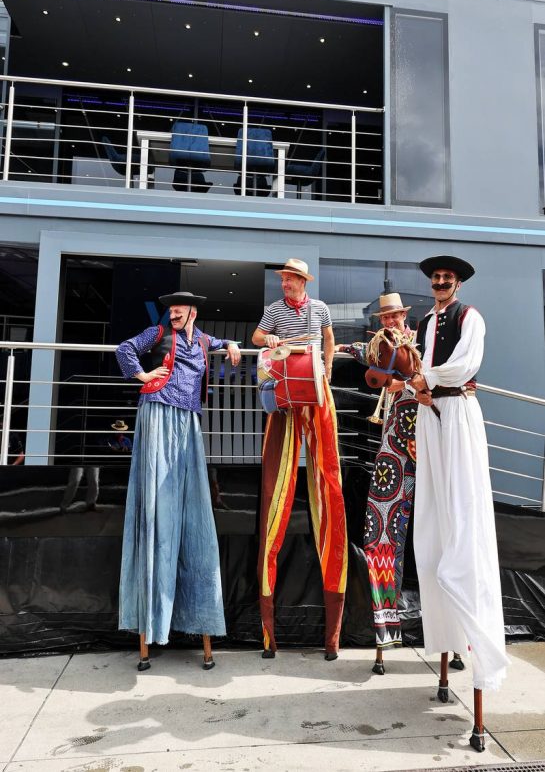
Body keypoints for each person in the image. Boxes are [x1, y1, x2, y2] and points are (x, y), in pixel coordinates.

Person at [115, 291, 241, 666]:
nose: (173, 313)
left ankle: (195, 619)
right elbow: (125, 349)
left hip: (188, 420)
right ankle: (151, 623)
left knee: (191, 509)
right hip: (157, 413)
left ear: (192, 313)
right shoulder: (157, 334)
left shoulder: (201, 340)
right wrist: (142, 374)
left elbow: (219, 341)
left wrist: (232, 344)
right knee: (158, 505)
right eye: (171, 309)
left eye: (179, 309)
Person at [410, 256, 508, 692]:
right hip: (428, 411)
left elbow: (465, 364)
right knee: (432, 515)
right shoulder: (423, 323)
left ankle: (477, 640)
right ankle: (445, 638)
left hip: (457, 409)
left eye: (447, 278)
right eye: (436, 278)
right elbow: (415, 369)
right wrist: (416, 384)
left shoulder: (470, 317)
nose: (440, 282)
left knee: (464, 509)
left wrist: (423, 379)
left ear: (458, 284)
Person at [252, 258, 347, 661]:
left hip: (315, 389)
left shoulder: (319, 308)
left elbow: (329, 338)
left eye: (290, 280)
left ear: (302, 281)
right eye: (284, 279)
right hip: (287, 396)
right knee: (275, 484)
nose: (285, 284)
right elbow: (257, 336)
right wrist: (270, 338)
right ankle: (269, 635)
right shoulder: (275, 310)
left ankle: (332, 638)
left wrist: (328, 368)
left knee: (329, 484)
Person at [341, 293, 418, 667]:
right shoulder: (377, 344)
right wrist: (339, 346)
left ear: (404, 316)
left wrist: (407, 384)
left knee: (446, 532)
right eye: (384, 317)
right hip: (395, 445)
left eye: (394, 316)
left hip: (431, 438)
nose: (389, 322)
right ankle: (385, 636)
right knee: (382, 530)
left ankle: (456, 640)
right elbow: (364, 352)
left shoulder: (424, 342)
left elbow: (439, 377)